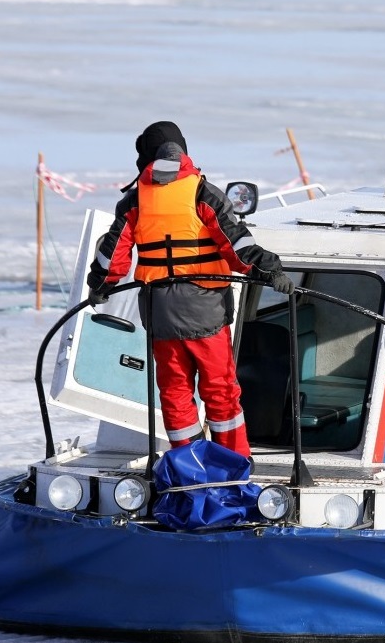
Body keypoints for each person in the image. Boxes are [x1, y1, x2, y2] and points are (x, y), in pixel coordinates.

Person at [85, 121, 293, 458]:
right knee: (221, 392)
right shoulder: (204, 194)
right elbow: (238, 247)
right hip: (205, 311)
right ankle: (233, 464)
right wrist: (271, 270)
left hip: (160, 315)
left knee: (175, 392)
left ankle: (190, 464)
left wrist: (99, 287)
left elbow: (111, 255)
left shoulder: (134, 201)